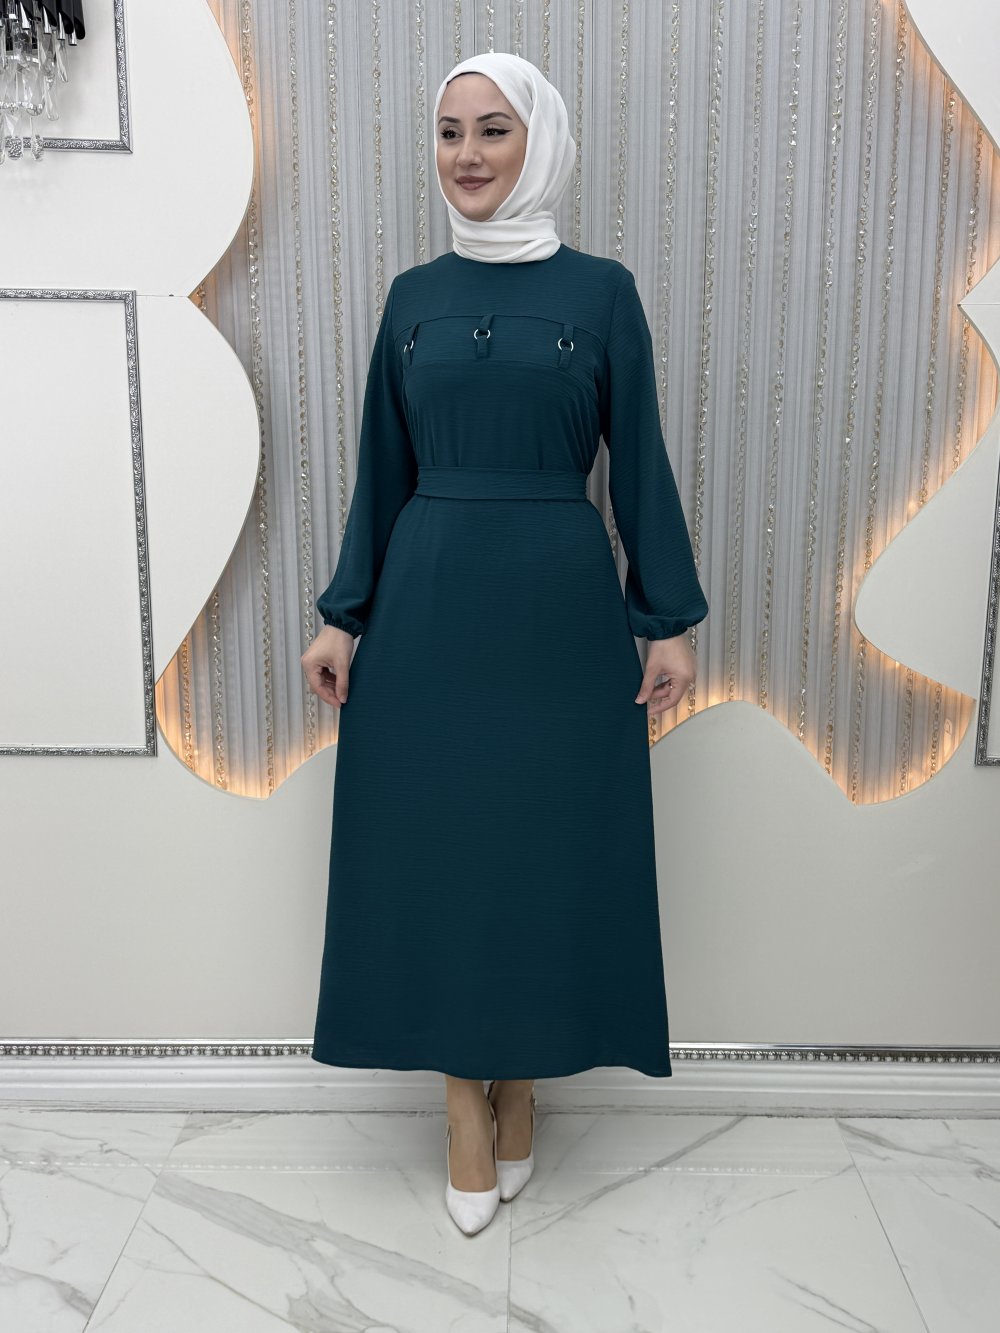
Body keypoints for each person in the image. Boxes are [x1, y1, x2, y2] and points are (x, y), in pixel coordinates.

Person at [301, 51, 709, 1236]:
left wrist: (666, 619)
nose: (468, 154)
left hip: (559, 612)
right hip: (427, 608)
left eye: (492, 129)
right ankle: (462, 1111)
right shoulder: (410, 297)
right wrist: (343, 613)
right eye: (449, 132)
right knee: (437, 850)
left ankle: (522, 1082)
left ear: (540, 142)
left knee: (542, 850)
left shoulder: (602, 293)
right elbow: (381, 470)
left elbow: (639, 463)